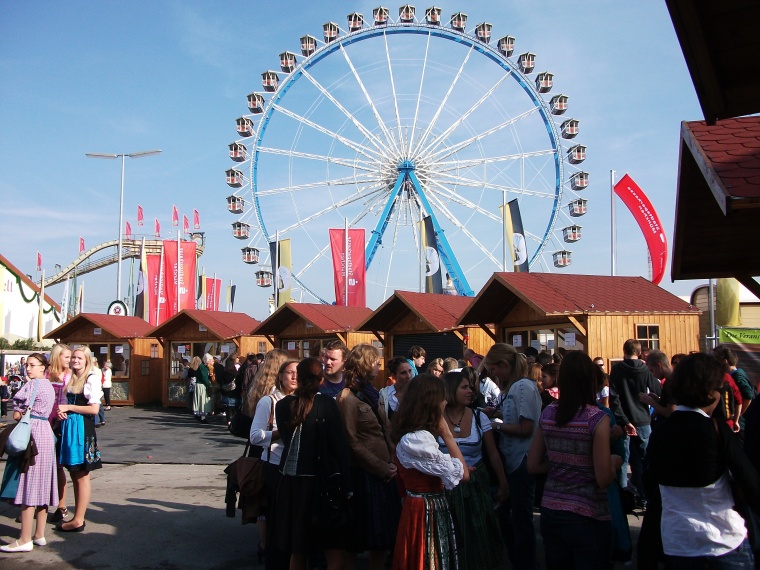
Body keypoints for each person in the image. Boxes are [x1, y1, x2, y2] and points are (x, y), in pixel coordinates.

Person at [647, 352, 760, 567]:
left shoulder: (660, 432)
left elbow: (651, 483)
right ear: (710, 391)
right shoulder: (717, 431)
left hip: (677, 540)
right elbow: (750, 483)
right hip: (722, 538)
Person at [528, 351, 622, 570]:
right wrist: (614, 462)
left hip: (551, 509)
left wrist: (562, 463)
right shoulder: (596, 418)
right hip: (587, 513)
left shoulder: (549, 413)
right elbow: (603, 478)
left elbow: (532, 465)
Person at [274, 357, 352, 570]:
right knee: (334, 551)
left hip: (292, 484)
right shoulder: (326, 404)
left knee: (298, 550)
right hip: (322, 484)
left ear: (298, 377)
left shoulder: (282, 406)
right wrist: (347, 484)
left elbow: (286, 438)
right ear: (321, 378)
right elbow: (339, 446)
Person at [391, 373, 469, 569]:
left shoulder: (416, 436)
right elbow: (463, 474)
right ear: (432, 403)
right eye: (442, 398)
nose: (445, 403)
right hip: (425, 509)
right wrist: (447, 434)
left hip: (424, 506)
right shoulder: (417, 439)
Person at [337, 344, 401, 570]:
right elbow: (351, 441)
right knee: (357, 538)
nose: (379, 365)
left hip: (384, 472)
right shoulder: (347, 397)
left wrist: (392, 461)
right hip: (364, 476)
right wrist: (382, 468)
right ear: (364, 364)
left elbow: (386, 430)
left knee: (382, 538)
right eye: (375, 361)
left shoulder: (373, 393)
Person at [438, 371, 507, 569]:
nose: (471, 391)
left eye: (470, 386)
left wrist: (502, 483)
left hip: (476, 484)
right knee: (452, 536)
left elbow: (493, 454)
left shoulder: (479, 417)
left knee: (479, 534)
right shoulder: (435, 418)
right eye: (464, 387)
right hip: (446, 487)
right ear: (451, 390)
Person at [485, 342, 541, 570]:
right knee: (510, 517)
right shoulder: (515, 387)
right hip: (514, 460)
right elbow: (515, 416)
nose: (494, 375)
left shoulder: (523, 387)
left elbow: (526, 427)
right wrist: (497, 413)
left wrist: (494, 426)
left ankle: (526, 564)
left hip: (522, 460)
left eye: (494, 370)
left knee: (521, 519)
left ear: (504, 365)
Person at [0, 353, 58, 552]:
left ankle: (24, 538)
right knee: (42, 483)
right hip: (46, 434)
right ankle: (39, 534)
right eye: (28, 365)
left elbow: (17, 412)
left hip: (32, 432)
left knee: (28, 483)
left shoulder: (32, 385)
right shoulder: (50, 386)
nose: (28, 369)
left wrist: (20, 413)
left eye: (33, 365)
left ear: (43, 367)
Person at [249, 358, 298, 568]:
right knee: (275, 522)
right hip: (274, 466)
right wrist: (283, 431)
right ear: (280, 376)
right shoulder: (269, 401)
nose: (294, 377)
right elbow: (255, 436)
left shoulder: (304, 400)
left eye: (298, 373)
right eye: (290, 373)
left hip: (297, 468)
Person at [608, 339, 661, 505]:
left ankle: (623, 497)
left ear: (623, 350)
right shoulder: (645, 369)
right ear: (639, 352)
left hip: (623, 420)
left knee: (623, 461)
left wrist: (623, 420)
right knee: (645, 460)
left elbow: (614, 398)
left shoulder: (617, 370)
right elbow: (657, 390)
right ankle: (646, 496)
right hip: (643, 418)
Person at [56, 345, 102, 532]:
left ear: (87, 360)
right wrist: (63, 413)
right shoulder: (73, 378)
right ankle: (77, 517)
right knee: (74, 473)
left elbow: (94, 409)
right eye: (73, 357)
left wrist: (68, 408)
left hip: (82, 430)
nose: (75, 361)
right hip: (72, 428)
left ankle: (79, 518)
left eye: (79, 358)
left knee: (82, 474)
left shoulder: (91, 378)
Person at [47, 343, 72, 523]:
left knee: (58, 466)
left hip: (61, 423)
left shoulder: (70, 375)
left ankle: (61, 505)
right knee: (37, 465)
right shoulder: (46, 374)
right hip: (44, 421)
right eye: (66, 357)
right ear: (57, 357)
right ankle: (33, 503)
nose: (70, 361)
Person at [378, 356, 413, 421]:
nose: (408, 376)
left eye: (410, 371)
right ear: (393, 375)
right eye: (403, 373)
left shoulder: (417, 393)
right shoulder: (384, 395)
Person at [190, 356, 210, 422]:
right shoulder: (202, 367)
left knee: (198, 400)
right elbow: (204, 378)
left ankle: (198, 414)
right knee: (202, 401)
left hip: (195, 385)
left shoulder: (202, 367)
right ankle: (202, 416)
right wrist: (209, 385)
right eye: (210, 360)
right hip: (200, 385)